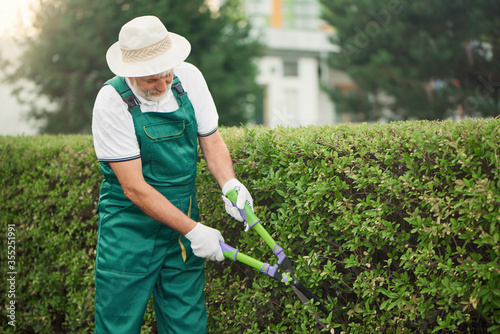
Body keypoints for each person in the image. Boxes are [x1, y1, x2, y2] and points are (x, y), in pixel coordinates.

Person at [91, 15, 253, 333]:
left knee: (187, 324)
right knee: (118, 325)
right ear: (129, 73)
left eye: (167, 74)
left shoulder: (189, 78)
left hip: (182, 223)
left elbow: (212, 140)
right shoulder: (111, 103)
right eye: (152, 80)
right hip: (129, 230)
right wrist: (194, 230)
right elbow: (134, 188)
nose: (164, 85)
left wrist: (230, 183)